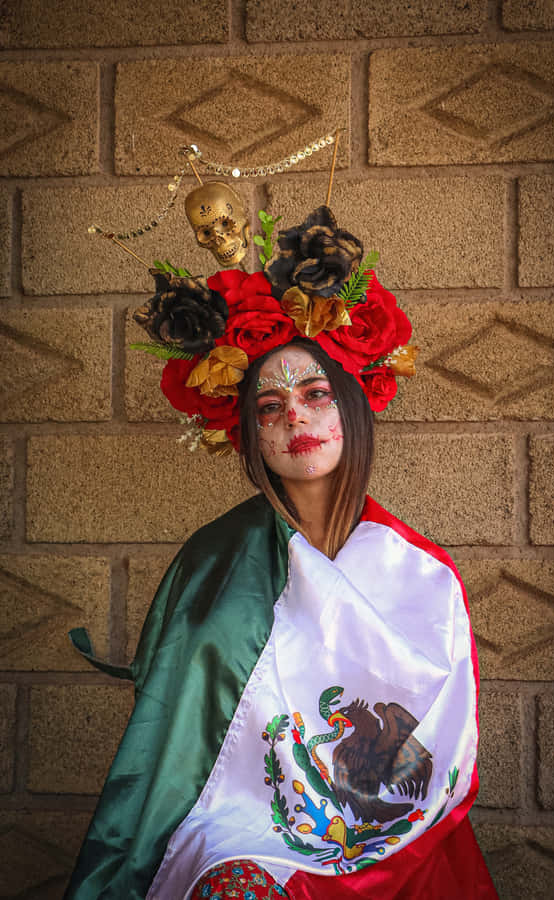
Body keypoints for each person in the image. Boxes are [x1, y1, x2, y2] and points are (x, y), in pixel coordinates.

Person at [65, 206, 498, 899]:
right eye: (267, 408)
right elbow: (175, 737)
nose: (293, 415)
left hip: (388, 835)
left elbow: (430, 763)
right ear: (249, 437)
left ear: (354, 405)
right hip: (231, 824)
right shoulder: (213, 559)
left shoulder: (422, 575)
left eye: (315, 394)